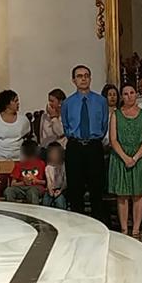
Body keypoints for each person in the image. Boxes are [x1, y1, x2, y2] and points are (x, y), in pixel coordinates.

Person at [62, 66, 110, 222]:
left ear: (90, 78)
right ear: (73, 80)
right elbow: (66, 125)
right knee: (75, 188)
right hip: (75, 146)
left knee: (97, 187)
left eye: (86, 75)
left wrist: (95, 138)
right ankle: (78, 223)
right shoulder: (68, 103)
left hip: (94, 146)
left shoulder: (101, 101)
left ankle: (98, 222)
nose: (83, 79)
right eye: (79, 76)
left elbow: (104, 124)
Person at [108, 82, 142, 237]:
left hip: (138, 158)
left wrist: (135, 157)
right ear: (122, 97)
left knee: (138, 194)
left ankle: (136, 229)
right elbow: (113, 139)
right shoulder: (116, 115)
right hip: (121, 158)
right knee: (122, 194)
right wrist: (125, 157)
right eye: (125, 93)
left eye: (132, 92)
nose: (129, 96)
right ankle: (124, 229)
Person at [3, 139, 46, 205]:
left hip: (36, 188)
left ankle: (33, 212)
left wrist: (36, 181)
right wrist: (23, 182)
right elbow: (13, 184)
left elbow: (46, 182)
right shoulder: (19, 165)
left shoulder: (41, 164)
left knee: (31, 192)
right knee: (9, 191)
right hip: (21, 188)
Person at [43, 142, 68, 209]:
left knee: (60, 201)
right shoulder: (48, 167)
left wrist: (60, 191)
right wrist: (50, 190)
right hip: (52, 189)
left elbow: (65, 181)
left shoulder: (64, 166)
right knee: (46, 200)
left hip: (62, 189)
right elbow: (49, 182)